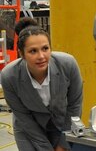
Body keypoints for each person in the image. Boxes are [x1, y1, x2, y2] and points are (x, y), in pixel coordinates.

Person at [0, 17, 83, 151]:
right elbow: (24, 118)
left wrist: (62, 144)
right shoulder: (9, 76)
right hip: (28, 129)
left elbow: (75, 106)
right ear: (21, 54)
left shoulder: (68, 65)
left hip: (62, 125)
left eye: (45, 48)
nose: (41, 56)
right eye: (33, 51)